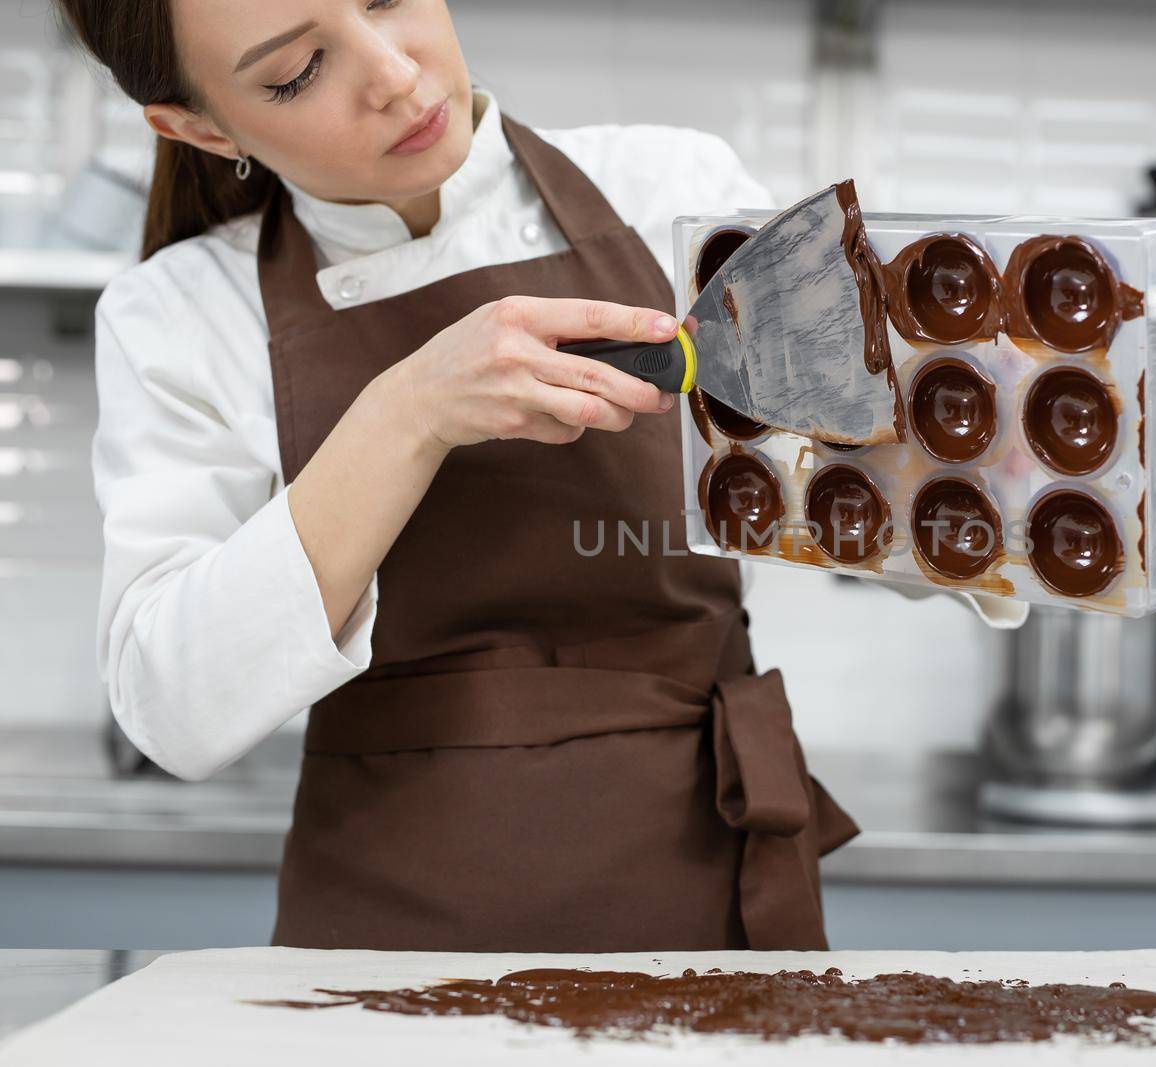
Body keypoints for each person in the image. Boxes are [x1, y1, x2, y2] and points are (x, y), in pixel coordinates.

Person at [63, 0, 1019, 953]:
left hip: (703, 896)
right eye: (297, 72)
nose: (394, 74)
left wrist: (999, 464)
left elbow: (872, 498)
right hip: (386, 947)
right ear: (196, 127)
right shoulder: (183, 313)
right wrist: (410, 411)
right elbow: (172, 711)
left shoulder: (670, 192)